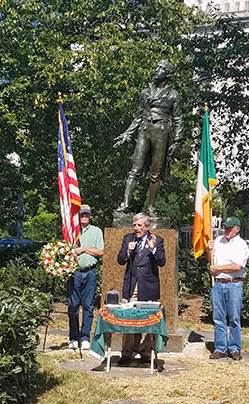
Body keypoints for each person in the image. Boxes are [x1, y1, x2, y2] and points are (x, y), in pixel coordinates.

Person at [113, 60, 184, 216]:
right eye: (157, 67)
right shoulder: (145, 92)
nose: (157, 70)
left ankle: (151, 207)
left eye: (161, 68)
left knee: (156, 173)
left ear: (168, 74)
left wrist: (178, 140)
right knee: (135, 169)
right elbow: (138, 116)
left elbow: (178, 118)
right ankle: (125, 204)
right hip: (144, 131)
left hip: (161, 133)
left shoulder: (173, 95)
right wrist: (127, 133)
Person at [116, 212, 166, 365]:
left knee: (146, 319)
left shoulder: (157, 240)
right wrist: (128, 251)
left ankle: (145, 352)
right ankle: (126, 353)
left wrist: (153, 249)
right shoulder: (128, 239)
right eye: (135, 225)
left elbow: (162, 262)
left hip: (148, 286)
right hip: (131, 285)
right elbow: (120, 260)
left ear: (147, 226)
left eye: (140, 226)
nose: (136, 228)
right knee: (129, 318)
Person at [207, 217, 249, 361]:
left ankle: (234, 348)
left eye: (229, 228)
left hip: (234, 284)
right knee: (218, 318)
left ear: (237, 229)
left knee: (234, 318)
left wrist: (217, 268)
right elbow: (210, 261)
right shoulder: (218, 241)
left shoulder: (241, 244)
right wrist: (209, 249)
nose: (226, 230)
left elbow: (237, 266)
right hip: (218, 283)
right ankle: (220, 348)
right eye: (225, 227)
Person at [67, 204, 104, 350]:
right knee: (73, 306)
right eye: (82, 214)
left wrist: (84, 250)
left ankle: (85, 338)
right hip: (74, 272)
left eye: (86, 214)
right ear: (78, 216)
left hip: (90, 272)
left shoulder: (96, 231)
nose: (84, 217)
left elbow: (100, 251)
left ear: (90, 216)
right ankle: (73, 338)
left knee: (88, 307)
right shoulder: (72, 232)